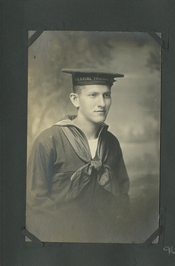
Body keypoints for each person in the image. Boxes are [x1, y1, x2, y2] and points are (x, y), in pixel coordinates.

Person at [26, 69, 130, 242]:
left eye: (106, 95)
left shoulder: (112, 143)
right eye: (93, 95)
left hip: (105, 241)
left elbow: (123, 193)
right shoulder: (48, 141)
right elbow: (35, 202)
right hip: (62, 241)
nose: (102, 103)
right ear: (75, 99)